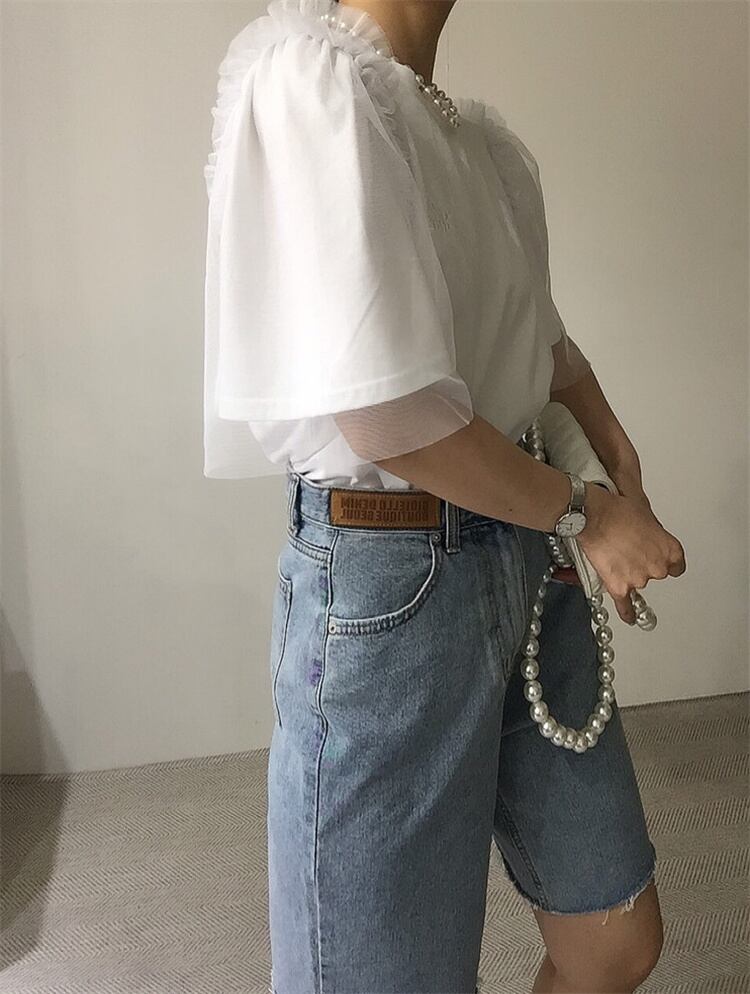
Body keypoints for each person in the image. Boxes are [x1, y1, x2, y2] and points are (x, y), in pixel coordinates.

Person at [202, 1, 687, 991]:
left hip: (527, 555)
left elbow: (542, 343)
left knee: (612, 940)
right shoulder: (315, 85)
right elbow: (388, 416)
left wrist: (616, 458)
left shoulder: (478, 142)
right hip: (394, 589)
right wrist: (586, 512)